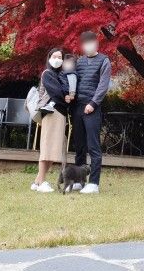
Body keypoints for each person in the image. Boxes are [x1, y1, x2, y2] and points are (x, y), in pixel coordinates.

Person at [71, 30, 111, 194]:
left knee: (93, 146)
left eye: (90, 42)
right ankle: (79, 181)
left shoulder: (104, 61)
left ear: (96, 43)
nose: (88, 46)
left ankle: (94, 183)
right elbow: (71, 80)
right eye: (85, 43)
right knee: (79, 145)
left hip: (92, 107)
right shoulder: (78, 62)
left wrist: (93, 103)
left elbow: (103, 84)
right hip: (77, 107)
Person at [31, 47, 70, 193]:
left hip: (60, 113)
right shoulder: (47, 74)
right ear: (49, 58)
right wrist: (66, 97)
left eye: (60, 57)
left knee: (54, 150)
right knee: (47, 148)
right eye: (55, 56)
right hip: (50, 112)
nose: (57, 59)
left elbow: (67, 92)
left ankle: (37, 181)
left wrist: (68, 96)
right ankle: (41, 183)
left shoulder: (62, 75)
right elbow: (57, 93)